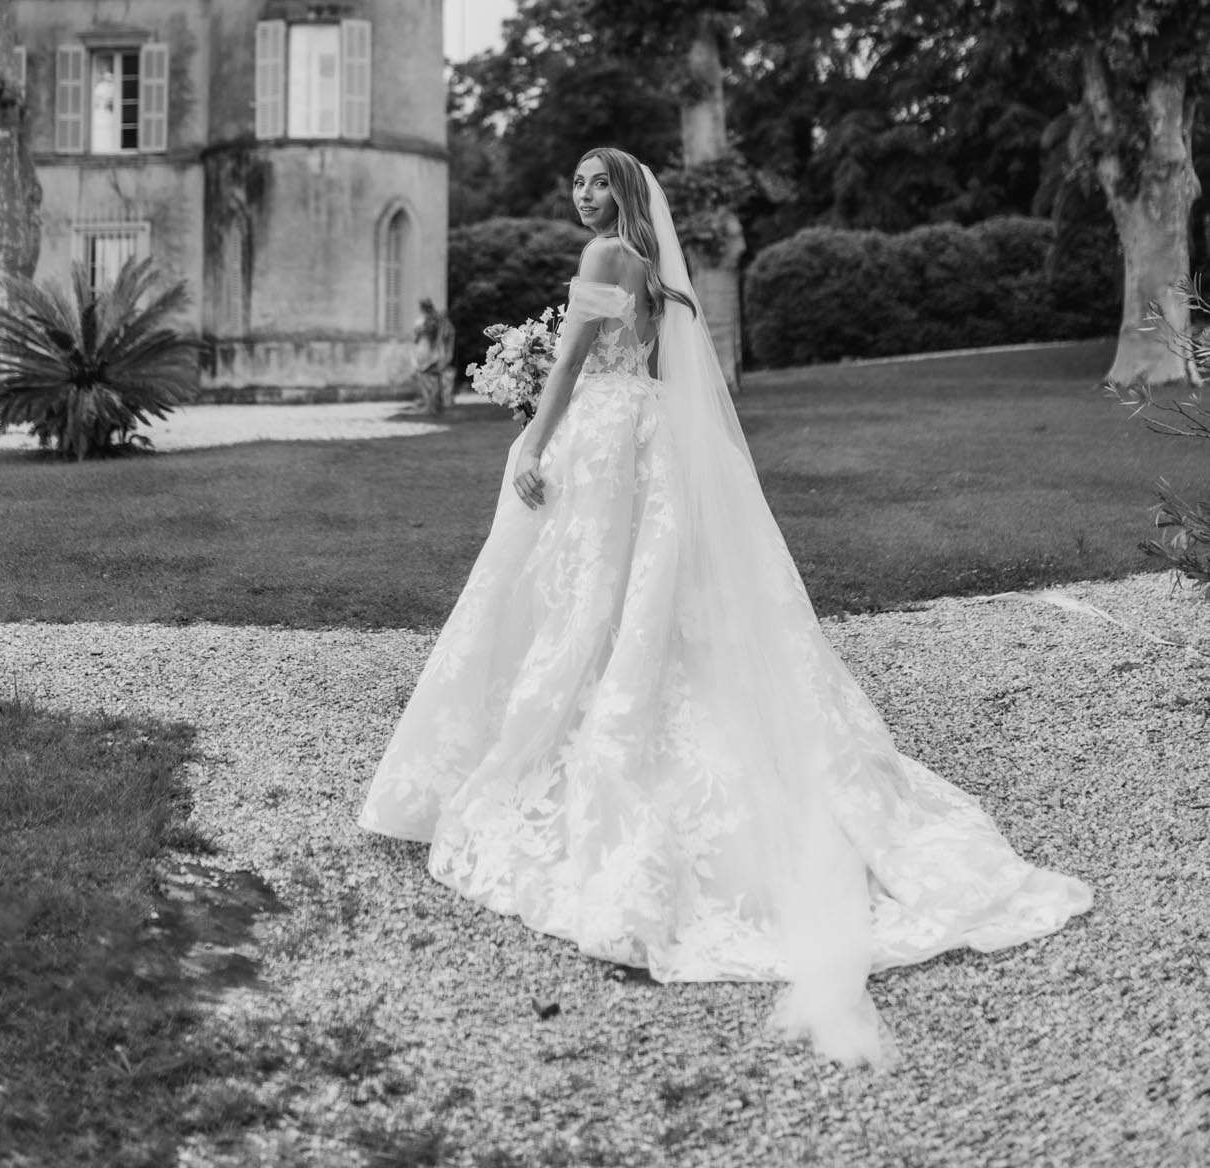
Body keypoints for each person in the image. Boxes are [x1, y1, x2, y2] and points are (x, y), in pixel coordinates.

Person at [360, 147, 1091, 1069]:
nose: (581, 195)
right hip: (649, 434)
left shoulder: (598, 262)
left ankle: (547, 741)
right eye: (576, 182)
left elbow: (576, 365)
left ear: (625, 195)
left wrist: (532, 439)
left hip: (599, 434)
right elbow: (654, 367)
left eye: (596, 183)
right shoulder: (665, 276)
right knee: (631, 593)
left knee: (579, 593)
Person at [411, 298, 445, 414]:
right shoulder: (436, 320)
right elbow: (439, 338)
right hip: (433, 350)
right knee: (433, 378)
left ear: (422, 308)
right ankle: (434, 405)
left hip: (423, 350)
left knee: (424, 378)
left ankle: (429, 405)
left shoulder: (424, 321)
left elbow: (416, 338)